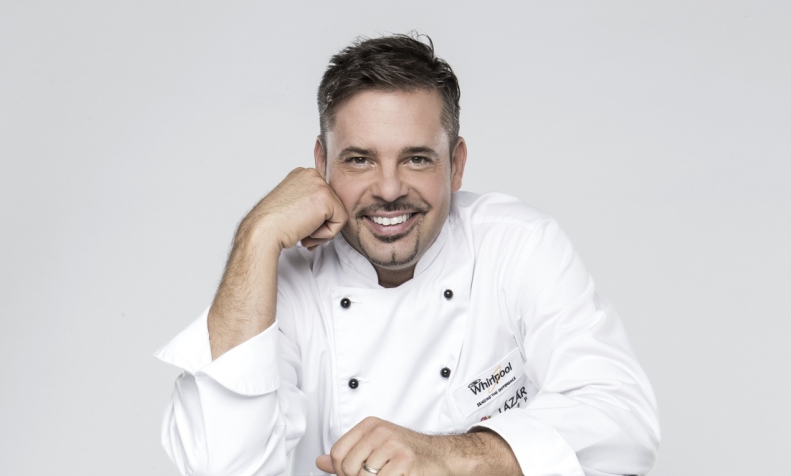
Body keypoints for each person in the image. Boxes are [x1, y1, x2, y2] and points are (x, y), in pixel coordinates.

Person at [156, 33, 660, 476]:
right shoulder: (282, 284)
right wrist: (257, 234)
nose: (390, 189)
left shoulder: (516, 245)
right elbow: (222, 467)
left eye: (417, 159)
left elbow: (623, 421)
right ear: (321, 164)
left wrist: (448, 457)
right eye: (359, 160)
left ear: (456, 165)